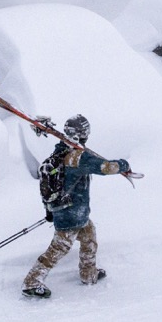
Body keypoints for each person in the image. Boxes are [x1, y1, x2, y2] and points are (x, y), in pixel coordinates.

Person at [22, 115, 129, 299]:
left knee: (89, 237)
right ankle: (31, 282)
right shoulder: (78, 157)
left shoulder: (61, 151)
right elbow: (105, 167)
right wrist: (123, 165)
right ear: (84, 134)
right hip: (71, 214)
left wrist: (49, 210)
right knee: (59, 248)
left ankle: (89, 273)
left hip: (74, 212)